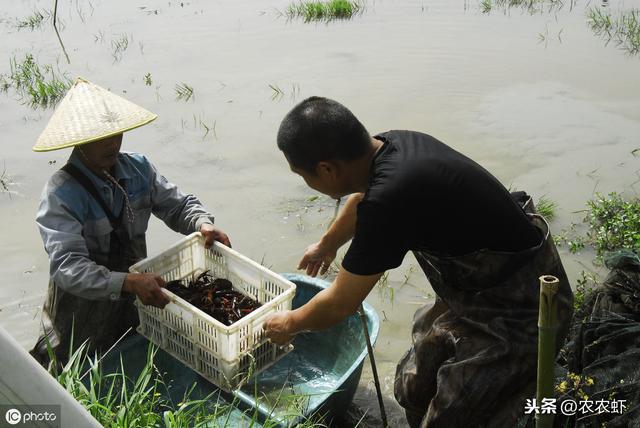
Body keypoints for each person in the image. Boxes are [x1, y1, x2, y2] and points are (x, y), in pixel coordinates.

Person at [264, 96, 574, 427]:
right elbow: (361, 195)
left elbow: (341, 303)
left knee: (452, 419)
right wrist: (327, 245)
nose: (306, 183)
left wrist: (290, 323)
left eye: (303, 175)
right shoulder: (389, 145)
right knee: (413, 387)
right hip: (472, 295)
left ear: (327, 169)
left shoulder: (391, 200)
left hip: (523, 310)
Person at [30, 78, 230, 367]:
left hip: (134, 300)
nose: (113, 143)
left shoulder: (138, 169)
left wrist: (201, 224)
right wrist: (127, 281)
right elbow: (68, 268)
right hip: (78, 312)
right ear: (79, 139)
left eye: (116, 132)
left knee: (130, 363)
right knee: (65, 373)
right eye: (101, 137)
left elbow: (177, 205)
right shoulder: (60, 194)